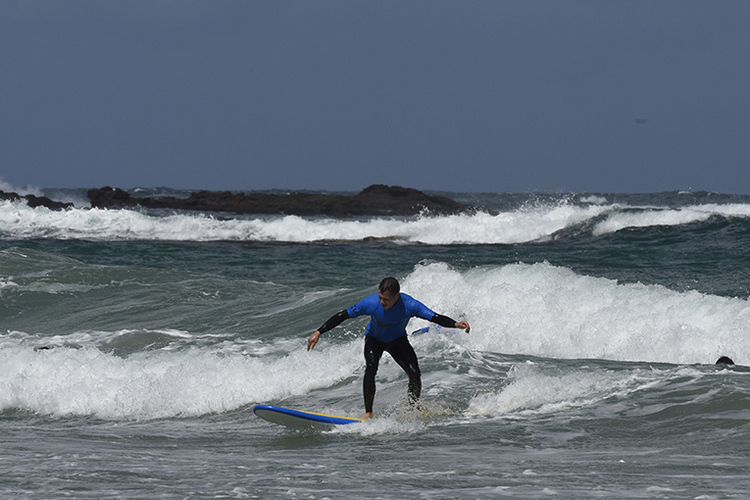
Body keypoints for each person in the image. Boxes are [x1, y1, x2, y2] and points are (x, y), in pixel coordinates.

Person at [307, 277, 470, 419]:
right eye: (380, 297)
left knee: (414, 373)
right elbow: (343, 315)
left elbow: (434, 317)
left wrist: (455, 324)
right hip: (374, 340)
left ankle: (412, 408)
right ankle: (368, 413)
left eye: (386, 299)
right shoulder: (370, 303)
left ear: (397, 296)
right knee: (371, 368)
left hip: (398, 340)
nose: (382, 302)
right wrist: (319, 331)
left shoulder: (410, 305)